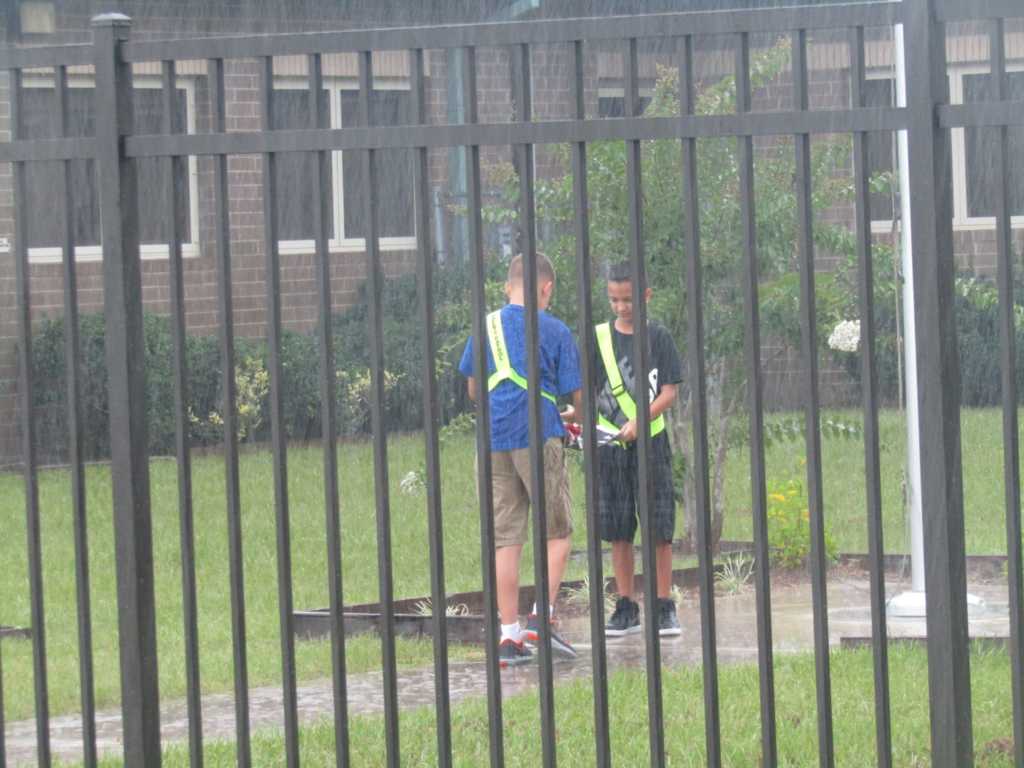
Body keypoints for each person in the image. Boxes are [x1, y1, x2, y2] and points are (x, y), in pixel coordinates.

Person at [458, 252, 583, 667]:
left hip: (493, 440)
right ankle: (540, 621)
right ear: (546, 288)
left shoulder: (485, 326)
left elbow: (475, 390)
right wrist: (568, 415)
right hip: (538, 434)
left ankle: (508, 637)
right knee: (558, 531)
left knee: (506, 538)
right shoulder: (555, 330)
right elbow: (578, 401)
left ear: (507, 285)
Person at [593, 262, 683, 638]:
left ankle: (664, 605)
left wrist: (640, 421)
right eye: (614, 299)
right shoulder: (598, 339)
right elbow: (588, 393)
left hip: (652, 442)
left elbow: (670, 391)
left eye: (628, 299)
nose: (621, 307)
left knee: (659, 526)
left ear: (645, 296)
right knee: (617, 528)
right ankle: (626, 605)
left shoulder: (658, 338)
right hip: (611, 446)